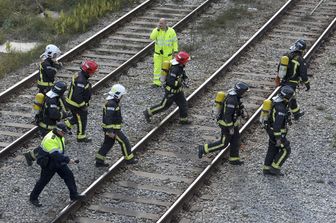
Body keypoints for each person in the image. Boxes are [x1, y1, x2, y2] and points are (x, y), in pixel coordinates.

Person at [29, 123, 84, 207]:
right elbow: (55, 154)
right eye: (63, 132)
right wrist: (68, 160)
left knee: (69, 175)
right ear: (58, 130)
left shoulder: (58, 135)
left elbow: (58, 153)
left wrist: (65, 159)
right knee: (43, 181)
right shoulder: (50, 139)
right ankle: (33, 198)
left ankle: (74, 195)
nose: (64, 134)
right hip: (49, 163)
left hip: (57, 161)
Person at [198, 82, 249, 165]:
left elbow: (235, 111)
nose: (244, 93)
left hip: (233, 124)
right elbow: (227, 115)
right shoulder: (232, 100)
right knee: (223, 143)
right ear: (240, 91)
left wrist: (241, 112)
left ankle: (234, 159)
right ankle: (204, 149)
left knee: (235, 141)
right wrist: (230, 127)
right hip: (226, 125)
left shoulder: (236, 97)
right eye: (244, 92)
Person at [24, 81, 70, 166]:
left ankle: (31, 156)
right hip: (47, 126)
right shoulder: (52, 100)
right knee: (48, 146)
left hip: (46, 124)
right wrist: (64, 114)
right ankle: (31, 156)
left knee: (48, 145)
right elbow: (54, 115)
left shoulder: (50, 94)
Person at [95, 84, 138, 167]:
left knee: (108, 144)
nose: (122, 97)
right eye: (121, 95)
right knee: (124, 142)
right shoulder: (112, 104)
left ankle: (99, 161)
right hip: (113, 129)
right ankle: (129, 159)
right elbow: (108, 117)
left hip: (111, 128)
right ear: (117, 95)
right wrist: (110, 131)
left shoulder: (112, 102)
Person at [143, 51, 191, 124]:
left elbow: (183, 75)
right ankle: (148, 112)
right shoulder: (175, 69)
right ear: (182, 61)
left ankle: (183, 120)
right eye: (186, 61)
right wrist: (180, 82)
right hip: (171, 92)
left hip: (178, 91)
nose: (187, 62)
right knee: (163, 106)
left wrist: (185, 79)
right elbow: (171, 82)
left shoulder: (180, 67)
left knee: (183, 104)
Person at [262, 86, 295, 176]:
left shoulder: (275, 101)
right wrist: (278, 138)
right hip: (277, 133)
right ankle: (275, 168)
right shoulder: (281, 109)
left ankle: (266, 169)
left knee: (272, 149)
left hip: (270, 130)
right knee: (286, 150)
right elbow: (277, 126)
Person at [65, 60, 98, 142]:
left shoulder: (79, 75)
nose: (93, 74)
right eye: (92, 72)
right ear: (88, 71)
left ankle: (65, 126)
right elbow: (77, 95)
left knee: (76, 118)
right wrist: (83, 105)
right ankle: (81, 137)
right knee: (82, 119)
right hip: (76, 104)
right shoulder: (81, 80)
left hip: (72, 102)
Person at [278, 39, 310, 120]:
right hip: (292, 83)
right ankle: (283, 117)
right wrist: (307, 84)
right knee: (289, 99)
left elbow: (279, 68)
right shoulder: (300, 60)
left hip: (284, 81)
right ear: (302, 50)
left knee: (291, 97)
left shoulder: (286, 56)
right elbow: (303, 75)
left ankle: (296, 114)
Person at [150, 18, 178, 87]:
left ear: (166, 23)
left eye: (161, 23)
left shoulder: (171, 31)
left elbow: (175, 41)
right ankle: (156, 82)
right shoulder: (156, 30)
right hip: (158, 54)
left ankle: (166, 81)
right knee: (157, 68)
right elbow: (152, 37)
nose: (160, 24)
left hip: (167, 55)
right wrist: (157, 29)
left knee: (166, 69)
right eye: (159, 23)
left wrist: (175, 50)